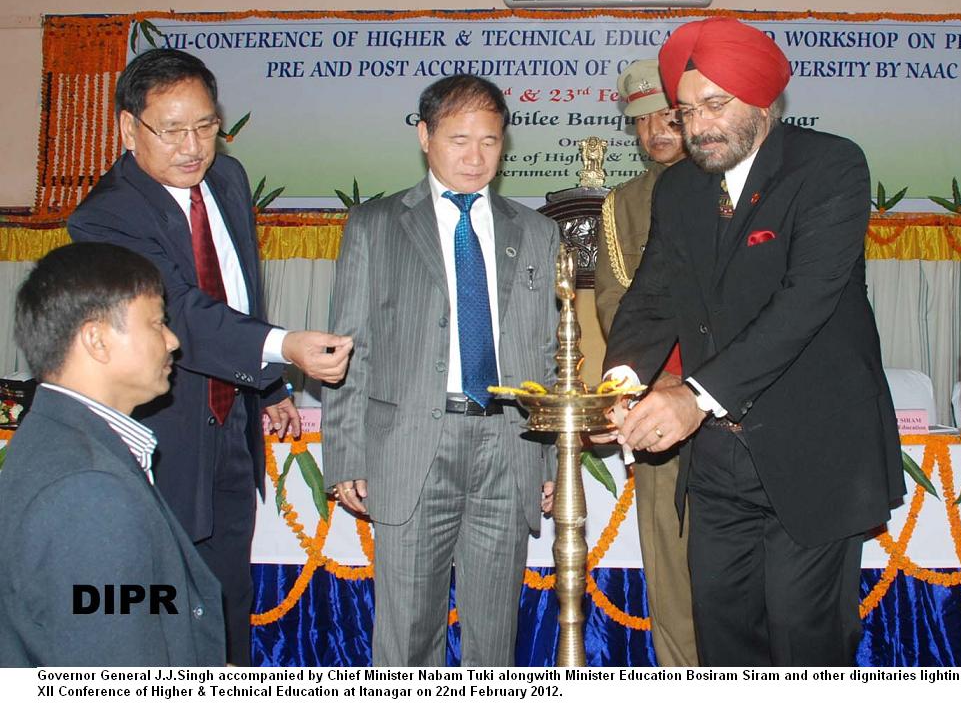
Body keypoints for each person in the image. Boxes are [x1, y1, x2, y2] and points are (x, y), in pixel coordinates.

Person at [600, 18, 904, 666]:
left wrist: (694, 395)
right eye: (686, 112)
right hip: (716, 465)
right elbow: (651, 299)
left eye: (716, 105)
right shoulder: (681, 187)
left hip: (810, 455)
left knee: (802, 648)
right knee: (724, 645)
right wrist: (617, 388)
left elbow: (804, 303)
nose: (698, 127)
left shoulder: (829, 166)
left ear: (764, 101)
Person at [66, 48, 353, 665]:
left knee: (228, 598)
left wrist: (267, 386)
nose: (193, 146)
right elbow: (181, 313)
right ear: (127, 128)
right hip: (159, 441)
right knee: (163, 614)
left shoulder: (227, 180)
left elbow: (238, 290)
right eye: (172, 131)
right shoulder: (108, 216)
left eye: (205, 127)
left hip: (230, 431)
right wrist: (283, 347)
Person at [323, 74, 559, 666]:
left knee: (493, 639)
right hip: (410, 448)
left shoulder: (536, 232)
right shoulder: (376, 226)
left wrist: (554, 457)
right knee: (405, 638)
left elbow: (554, 354)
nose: (475, 156)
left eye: (490, 140)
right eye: (459, 139)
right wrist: (348, 455)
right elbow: (349, 346)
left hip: (508, 445)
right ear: (425, 137)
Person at [0, 243, 225, 666]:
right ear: (97, 340)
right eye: (157, 323)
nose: (173, 341)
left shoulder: (57, 437)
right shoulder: (88, 490)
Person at [593, 59, 697, 667]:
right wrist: (655, 382)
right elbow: (614, 300)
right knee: (669, 564)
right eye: (641, 120)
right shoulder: (624, 203)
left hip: (739, 405)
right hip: (659, 408)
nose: (655, 129)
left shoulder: (738, 187)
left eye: (667, 114)